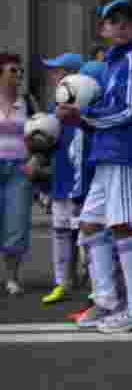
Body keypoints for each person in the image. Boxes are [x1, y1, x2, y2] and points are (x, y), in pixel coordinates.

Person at [57, 0, 132, 333]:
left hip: (126, 154)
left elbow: (128, 111)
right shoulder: (111, 64)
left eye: (127, 21)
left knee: (122, 225)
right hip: (107, 154)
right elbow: (109, 115)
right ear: (103, 29)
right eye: (114, 21)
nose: (121, 26)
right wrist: (80, 118)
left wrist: (82, 116)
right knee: (89, 224)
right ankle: (107, 301)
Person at [38, 53, 85, 304]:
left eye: (57, 71)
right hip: (60, 178)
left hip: (82, 180)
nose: (53, 76)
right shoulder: (53, 106)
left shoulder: (87, 103)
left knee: (85, 233)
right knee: (61, 232)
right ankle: (61, 282)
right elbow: (46, 142)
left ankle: (90, 280)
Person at [0, 52, 39, 296]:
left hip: (19, 170)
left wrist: (36, 159)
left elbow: (44, 134)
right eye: (12, 70)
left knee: (16, 225)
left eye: (20, 71)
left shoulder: (28, 101)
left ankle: (12, 278)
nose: (18, 74)